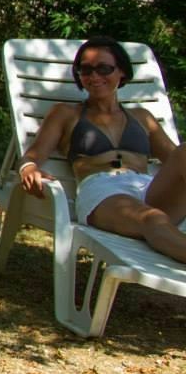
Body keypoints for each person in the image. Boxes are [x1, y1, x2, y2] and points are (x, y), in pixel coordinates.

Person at [17, 35, 186, 263]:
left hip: (146, 188)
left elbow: (176, 159)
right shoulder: (67, 114)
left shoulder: (142, 118)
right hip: (103, 193)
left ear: (122, 72)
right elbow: (34, 153)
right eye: (85, 70)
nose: (94, 76)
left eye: (104, 68)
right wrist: (28, 168)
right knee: (153, 219)